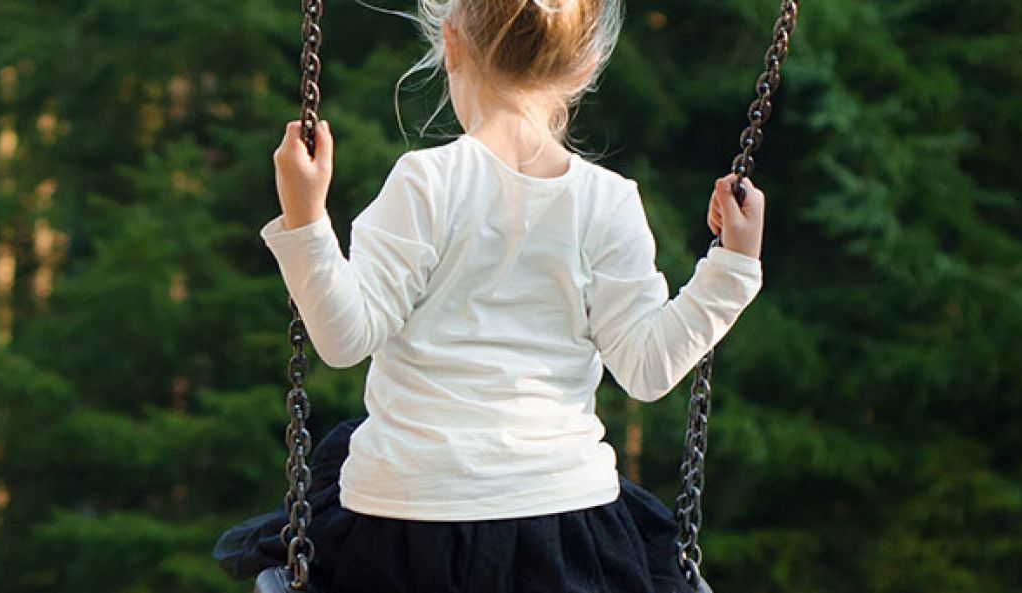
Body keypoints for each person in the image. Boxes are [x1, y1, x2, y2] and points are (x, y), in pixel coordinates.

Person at [215, 0, 767, 591]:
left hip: (407, 525)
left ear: (452, 44)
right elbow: (648, 369)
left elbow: (344, 339)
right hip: (560, 525)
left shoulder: (425, 181)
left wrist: (305, 216)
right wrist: (731, 267)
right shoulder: (610, 201)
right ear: (586, 67)